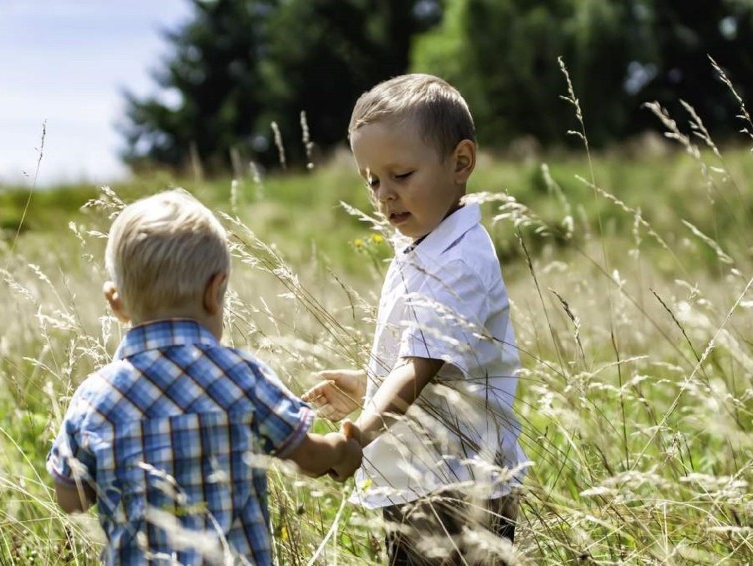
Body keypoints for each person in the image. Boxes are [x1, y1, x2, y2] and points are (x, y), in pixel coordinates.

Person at [47, 189, 362, 565]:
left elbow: (71, 499)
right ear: (215, 292)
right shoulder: (241, 376)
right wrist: (343, 450)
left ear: (115, 302)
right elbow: (307, 458)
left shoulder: (93, 397)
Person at [304, 74, 527, 565]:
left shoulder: (459, 260)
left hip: (457, 490)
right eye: (373, 182)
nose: (385, 195)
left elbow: (417, 369)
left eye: (401, 176)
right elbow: (434, 367)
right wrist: (370, 383)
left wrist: (357, 435)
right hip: (421, 482)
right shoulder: (425, 247)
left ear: (460, 162)